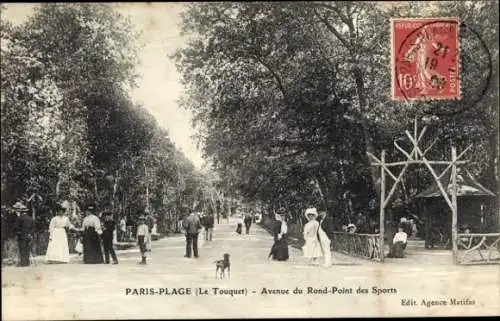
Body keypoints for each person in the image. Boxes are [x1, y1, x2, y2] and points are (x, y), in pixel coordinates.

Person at [13, 201, 35, 267]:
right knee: (27, 249)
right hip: (29, 236)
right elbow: (33, 228)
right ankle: (27, 263)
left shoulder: (19, 218)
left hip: (21, 236)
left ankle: (23, 263)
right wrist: (30, 234)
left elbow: (16, 227)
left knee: (22, 249)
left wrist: (18, 233)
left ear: (21, 212)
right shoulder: (31, 219)